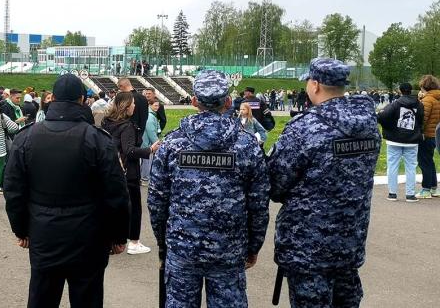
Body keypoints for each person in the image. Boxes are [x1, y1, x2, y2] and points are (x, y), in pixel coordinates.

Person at [3, 74, 130, 308]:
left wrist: (21, 229)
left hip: (44, 232)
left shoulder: (27, 137)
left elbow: (13, 190)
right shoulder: (97, 139)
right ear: (82, 99)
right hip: (88, 235)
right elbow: (116, 194)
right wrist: (119, 235)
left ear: (53, 98)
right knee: (87, 298)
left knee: (42, 297)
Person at [148, 70, 269, 307]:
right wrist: (253, 247)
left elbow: (157, 201)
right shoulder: (246, 145)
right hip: (229, 249)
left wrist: (164, 244)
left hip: (183, 248)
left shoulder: (172, 144)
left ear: (194, 101)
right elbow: (258, 203)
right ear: (227, 102)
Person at [267, 58, 380, 307]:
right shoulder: (369, 125)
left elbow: (275, 184)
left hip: (308, 247)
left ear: (315, 85)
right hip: (350, 240)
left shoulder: (305, 128)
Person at [102, 92, 159, 255]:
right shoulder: (127, 126)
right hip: (129, 172)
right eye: (133, 104)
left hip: (111, 170)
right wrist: (150, 150)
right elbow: (129, 150)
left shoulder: (107, 122)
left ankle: (111, 240)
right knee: (134, 208)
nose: (135, 106)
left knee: (113, 207)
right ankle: (134, 241)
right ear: (126, 106)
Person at [378, 82, 423, 202]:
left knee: (392, 166)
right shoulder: (419, 105)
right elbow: (421, 120)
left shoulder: (395, 104)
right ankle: (410, 194)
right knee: (411, 167)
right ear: (411, 90)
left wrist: (389, 127)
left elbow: (382, 117)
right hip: (412, 140)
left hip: (394, 140)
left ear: (400, 90)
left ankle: (392, 193)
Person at [416, 75, 440, 199]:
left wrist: (418, 132)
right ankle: (434, 188)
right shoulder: (437, 98)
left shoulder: (427, 100)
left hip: (425, 135)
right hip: (434, 134)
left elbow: (422, 118)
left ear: (424, 86)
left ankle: (426, 189)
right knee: (430, 161)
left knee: (424, 162)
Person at [139, 100, 161, 183]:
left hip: (145, 142)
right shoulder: (150, 116)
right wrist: (157, 143)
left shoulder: (150, 114)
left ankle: (144, 177)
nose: (157, 107)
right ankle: (145, 178)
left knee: (145, 161)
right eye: (155, 105)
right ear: (150, 105)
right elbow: (151, 131)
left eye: (158, 106)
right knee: (147, 161)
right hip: (147, 143)